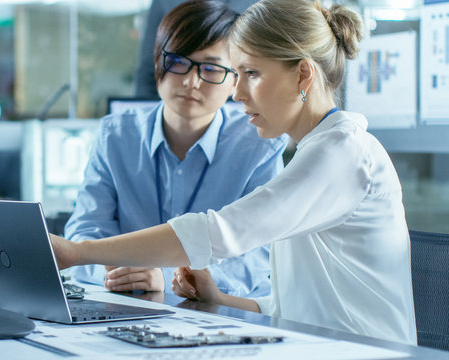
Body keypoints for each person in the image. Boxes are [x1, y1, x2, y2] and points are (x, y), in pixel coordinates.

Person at [51, 0, 417, 345]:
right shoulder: (317, 151)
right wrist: (221, 297)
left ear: (303, 74)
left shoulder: (343, 153)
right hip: (313, 344)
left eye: (251, 74)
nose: (237, 92)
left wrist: (77, 252)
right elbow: (290, 306)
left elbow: (216, 234)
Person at [65, 0, 287, 297]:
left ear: (235, 78)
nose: (190, 81)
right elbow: (84, 234)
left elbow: (259, 257)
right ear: (158, 61)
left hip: (222, 317)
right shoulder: (115, 136)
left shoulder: (260, 148)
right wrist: (120, 271)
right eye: (178, 62)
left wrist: (165, 277)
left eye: (210, 68)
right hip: (124, 308)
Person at [134, 0, 258, 98]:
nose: (191, 82)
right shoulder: (165, 3)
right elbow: (148, 68)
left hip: (235, 99)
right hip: (174, 102)